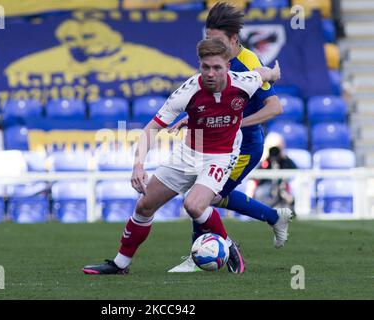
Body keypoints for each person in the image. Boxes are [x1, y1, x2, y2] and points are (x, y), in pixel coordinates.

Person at [82, 38, 281, 275]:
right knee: (145, 206)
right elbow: (150, 130)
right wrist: (138, 165)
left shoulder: (243, 83)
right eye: (205, 67)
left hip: (221, 155)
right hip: (189, 153)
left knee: (193, 205)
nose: (210, 73)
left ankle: (227, 245)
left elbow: (262, 73)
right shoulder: (187, 92)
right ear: (199, 65)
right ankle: (120, 264)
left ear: (228, 66)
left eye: (217, 67)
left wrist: (273, 73)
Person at [168, 2, 294, 273]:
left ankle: (202, 252)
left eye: (217, 41)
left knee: (203, 198)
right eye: (207, 39)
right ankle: (274, 217)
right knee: (207, 195)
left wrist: (236, 124)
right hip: (217, 143)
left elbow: (274, 107)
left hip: (244, 147)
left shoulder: (248, 62)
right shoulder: (217, 59)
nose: (210, 46)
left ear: (234, 40)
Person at [249, 132, 297, 210]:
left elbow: (296, 173)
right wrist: (265, 157)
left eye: (277, 148)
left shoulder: (285, 161)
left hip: (281, 194)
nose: (274, 151)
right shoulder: (263, 161)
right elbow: (253, 179)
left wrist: (283, 155)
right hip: (264, 194)